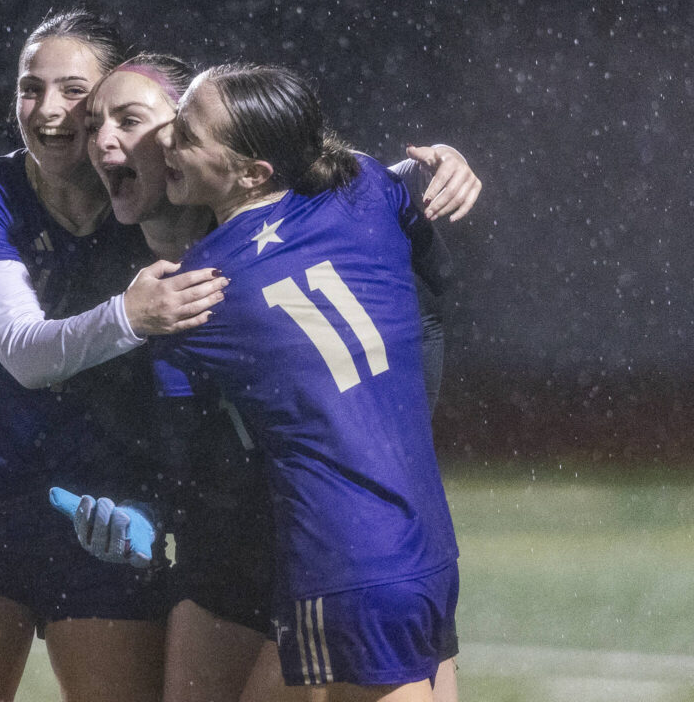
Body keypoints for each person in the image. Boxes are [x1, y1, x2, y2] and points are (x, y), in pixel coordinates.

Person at [69, 54, 478, 702]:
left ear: (252, 171)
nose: (162, 142)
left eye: (183, 132)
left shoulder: (190, 292)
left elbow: (183, 458)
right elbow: (428, 270)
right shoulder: (363, 191)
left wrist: (138, 514)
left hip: (337, 565)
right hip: (420, 547)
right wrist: (443, 164)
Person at [0, 11, 229, 702]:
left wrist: (411, 176)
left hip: (113, 518)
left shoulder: (164, 197)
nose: (48, 110)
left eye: (73, 90)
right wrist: (129, 315)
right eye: (29, 88)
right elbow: (24, 353)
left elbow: (289, 180)